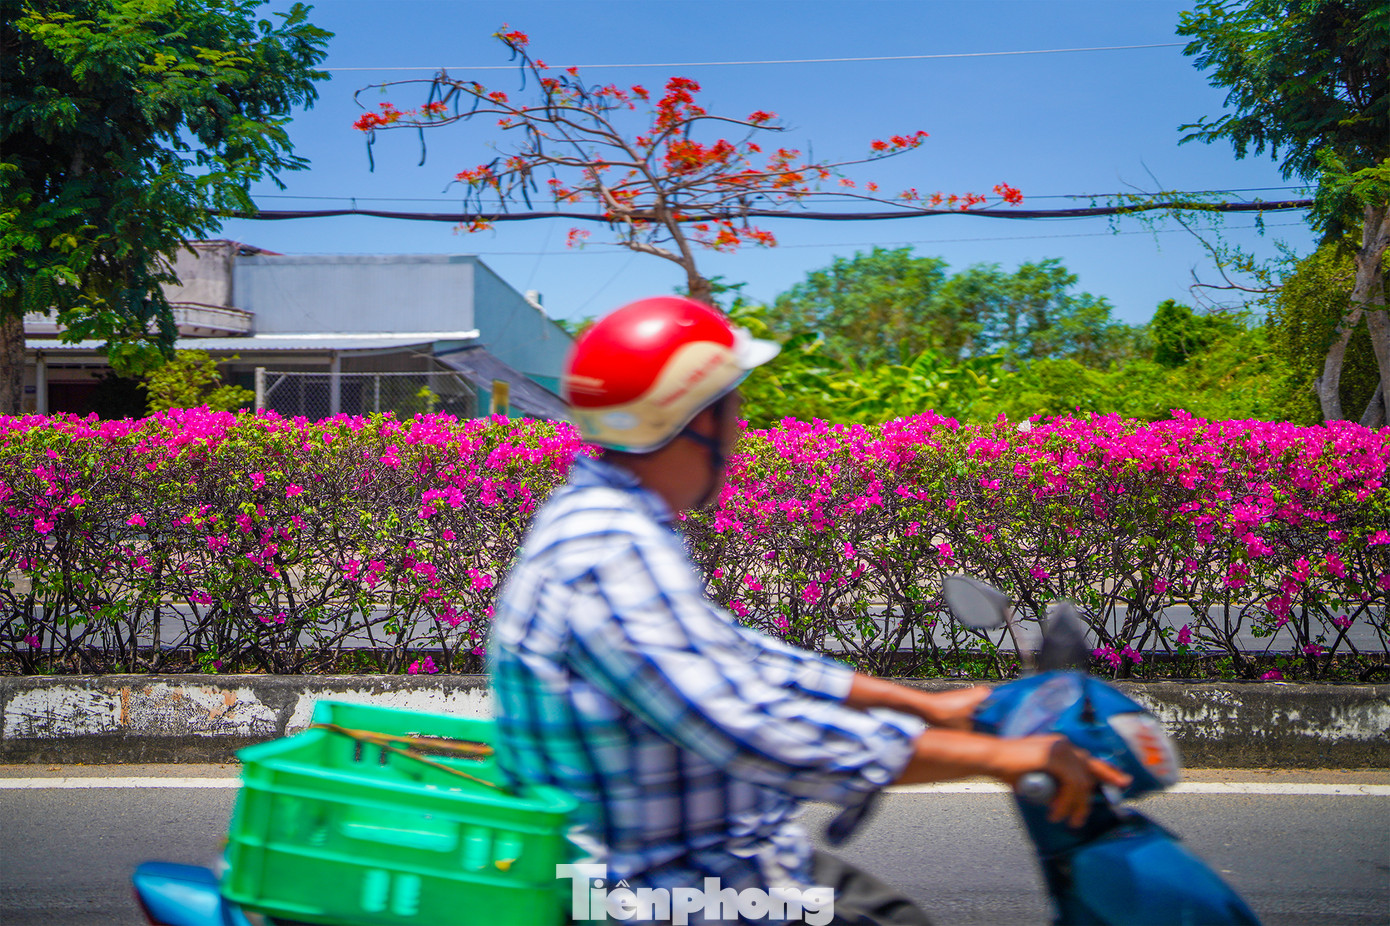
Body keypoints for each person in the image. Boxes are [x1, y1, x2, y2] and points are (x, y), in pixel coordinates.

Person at [488, 296, 1128, 925]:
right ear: (697, 420)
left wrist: (924, 705)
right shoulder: (611, 550)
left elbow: (733, 655)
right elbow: (749, 728)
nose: (739, 432)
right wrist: (1001, 758)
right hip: (668, 886)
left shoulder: (604, 519)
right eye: (733, 407)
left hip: (710, 859)